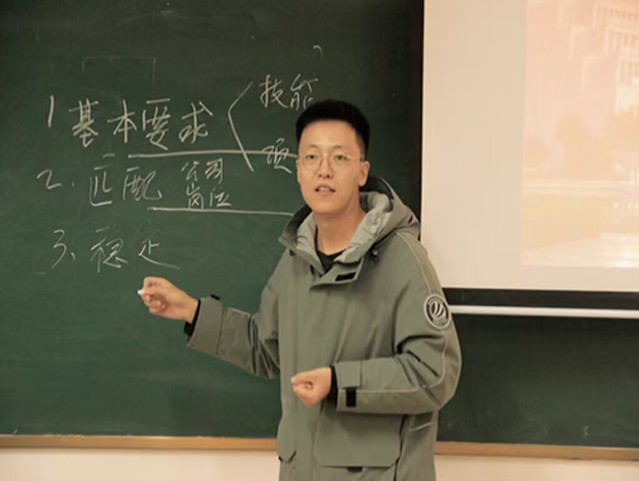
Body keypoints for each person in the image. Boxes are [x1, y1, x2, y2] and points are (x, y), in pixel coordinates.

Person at [138, 99, 461, 481]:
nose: (324, 169)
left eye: (339, 157)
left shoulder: (401, 258)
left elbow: (436, 371)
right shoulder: (296, 260)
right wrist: (192, 311)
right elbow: (266, 348)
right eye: (311, 157)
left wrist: (339, 383)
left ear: (362, 171)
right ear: (298, 170)